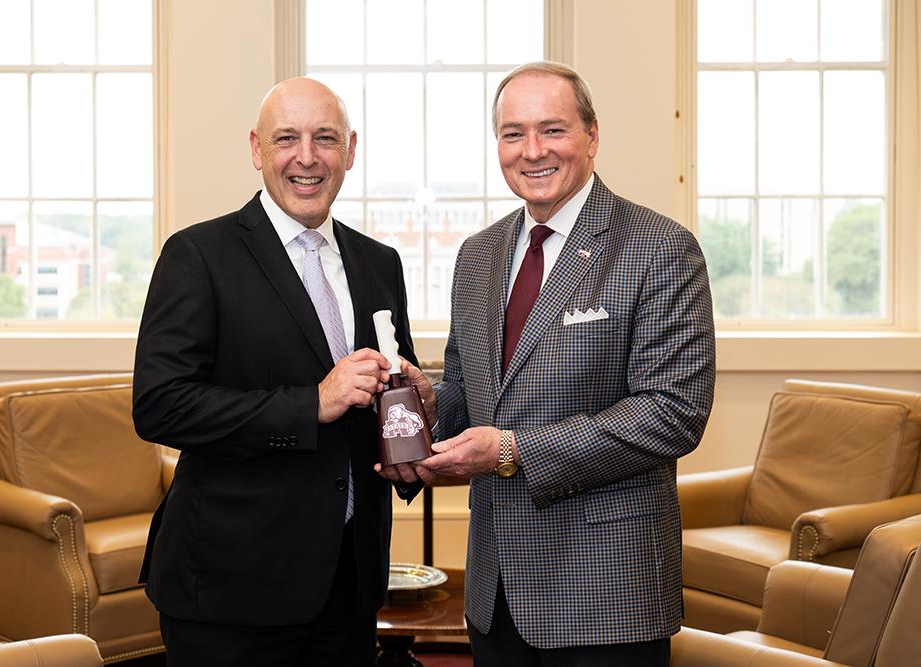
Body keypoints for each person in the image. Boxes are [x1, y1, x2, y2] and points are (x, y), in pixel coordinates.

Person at [392, 61, 717, 665]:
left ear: (592, 137)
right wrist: (431, 405)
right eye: (513, 134)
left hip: (606, 596)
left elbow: (672, 414)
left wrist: (515, 452)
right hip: (496, 593)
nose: (532, 151)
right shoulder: (479, 253)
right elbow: (473, 388)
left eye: (553, 130)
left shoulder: (660, 248)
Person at [133, 77, 421, 666]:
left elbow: (389, 392)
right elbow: (159, 404)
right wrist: (311, 403)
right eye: (286, 138)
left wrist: (418, 411)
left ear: (351, 149)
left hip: (349, 580)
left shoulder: (379, 263)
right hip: (232, 587)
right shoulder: (198, 255)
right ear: (257, 149)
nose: (307, 157)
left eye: (325, 139)